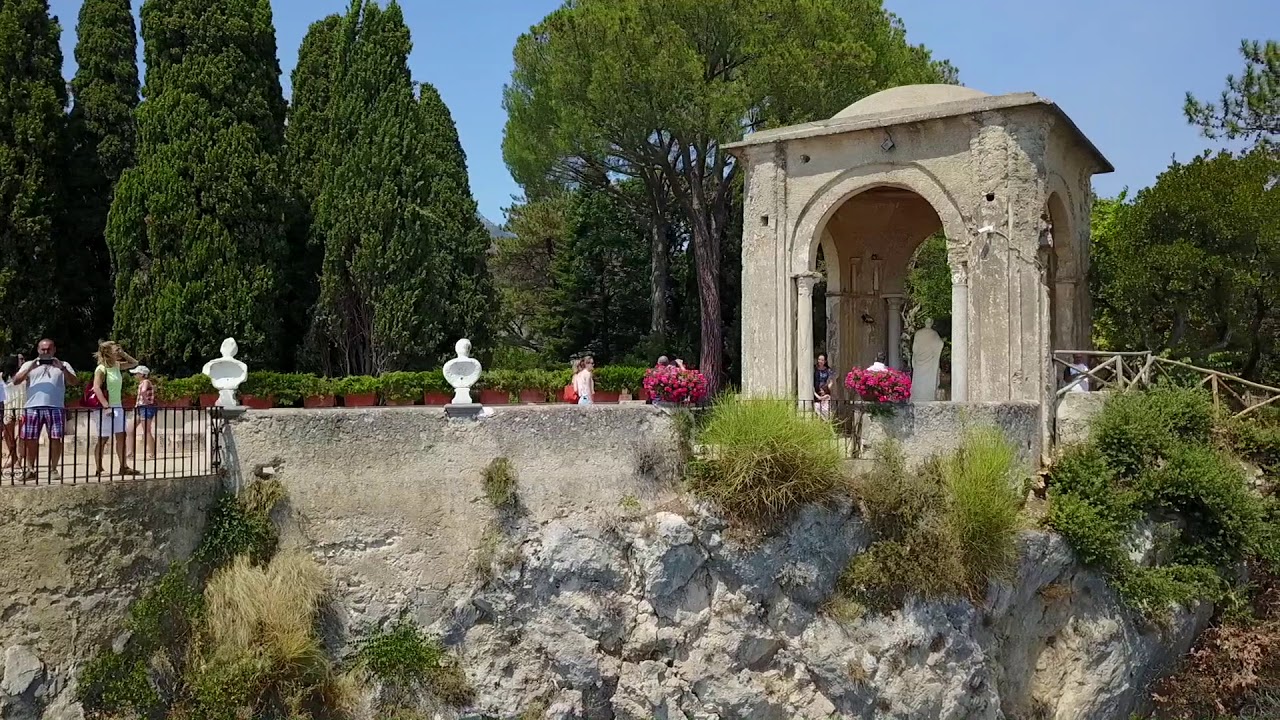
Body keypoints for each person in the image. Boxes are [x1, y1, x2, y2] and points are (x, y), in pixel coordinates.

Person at [13, 339, 78, 482]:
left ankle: (53, 469)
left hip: (55, 406)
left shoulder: (63, 364)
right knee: (30, 439)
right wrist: (30, 368)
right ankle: (30, 469)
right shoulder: (28, 364)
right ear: (38, 350)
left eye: (48, 349)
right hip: (32, 407)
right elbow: (16, 381)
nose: (45, 352)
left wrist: (62, 368)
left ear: (54, 350)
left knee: (55, 438)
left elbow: (74, 382)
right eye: (43, 349)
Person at [90, 341, 141, 477]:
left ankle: (123, 466)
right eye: (115, 349)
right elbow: (96, 387)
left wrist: (123, 354)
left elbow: (134, 363)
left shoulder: (117, 366)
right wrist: (105, 405)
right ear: (108, 352)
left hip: (117, 405)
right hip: (105, 407)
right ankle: (99, 468)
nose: (118, 350)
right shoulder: (101, 369)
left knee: (121, 436)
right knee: (103, 438)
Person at [128, 365, 157, 462]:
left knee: (146, 431)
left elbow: (144, 391)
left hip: (145, 407)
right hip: (140, 408)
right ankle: (130, 453)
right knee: (130, 429)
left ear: (142, 374)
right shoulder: (144, 382)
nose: (135, 375)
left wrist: (146, 400)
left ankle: (152, 453)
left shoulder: (145, 382)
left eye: (136, 373)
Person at [1, 355, 23, 473]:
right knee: (7, 434)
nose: (23, 361)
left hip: (21, 405)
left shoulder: (24, 374)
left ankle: (19, 459)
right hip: (8, 406)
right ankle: (13, 455)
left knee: (20, 435)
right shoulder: (2, 376)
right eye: (21, 359)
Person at [814, 354, 834, 419]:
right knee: (815, 405)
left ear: (825, 361)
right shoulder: (814, 368)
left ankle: (824, 419)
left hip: (823, 390)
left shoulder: (828, 370)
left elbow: (831, 381)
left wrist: (827, 389)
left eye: (822, 360)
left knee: (823, 406)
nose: (820, 361)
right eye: (819, 359)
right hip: (816, 389)